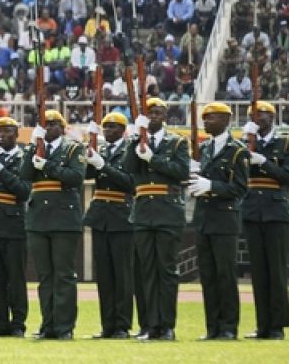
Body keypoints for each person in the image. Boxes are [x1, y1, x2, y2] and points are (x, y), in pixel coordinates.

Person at [123, 98, 189, 341]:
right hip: (142, 213)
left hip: (168, 212)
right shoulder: (136, 141)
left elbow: (181, 172)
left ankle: (167, 326)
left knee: (167, 271)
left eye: (158, 112)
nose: (153, 116)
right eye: (149, 113)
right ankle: (150, 325)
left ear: (165, 116)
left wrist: (153, 158)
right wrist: (135, 140)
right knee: (146, 272)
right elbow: (128, 166)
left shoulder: (177, 142)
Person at [19, 109, 86, 340]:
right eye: (43, 124)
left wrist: (47, 165)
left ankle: (64, 326)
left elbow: (76, 177)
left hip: (63, 218)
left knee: (64, 275)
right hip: (38, 219)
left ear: (61, 126)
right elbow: (24, 173)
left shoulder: (73, 147)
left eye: (51, 124)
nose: (47, 128)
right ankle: (48, 324)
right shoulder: (35, 147)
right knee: (45, 276)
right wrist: (31, 147)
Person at [189, 102, 249, 341]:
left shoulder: (237, 151)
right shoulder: (204, 149)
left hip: (224, 221)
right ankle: (212, 326)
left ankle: (228, 327)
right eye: (204, 118)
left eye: (211, 118)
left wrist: (211, 186)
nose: (206, 122)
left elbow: (240, 188)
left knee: (225, 275)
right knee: (208, 276)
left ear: (225, 120)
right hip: (204, 219)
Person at [242, 101, 289, 339]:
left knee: (276, 270)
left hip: (275, 212)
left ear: (272, 117)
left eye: (261, 114)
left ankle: (277, 327)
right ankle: (262, 325)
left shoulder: (285, 142)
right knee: (258, 272)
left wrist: (263, 161)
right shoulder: (246, 144)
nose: (256, 118)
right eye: (252, 115)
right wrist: (246, 149)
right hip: (253, 212)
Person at [83, 112, 134, 339]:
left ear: (123, 130)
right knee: (103, 275)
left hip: (122, 216)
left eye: (114, 127)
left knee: (122, 275)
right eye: (106, 127)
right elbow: (84, 175)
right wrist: (88, 156)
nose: (109, 131)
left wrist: (103, 165)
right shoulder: (100, 150)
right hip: (101, 216)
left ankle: (122, 325)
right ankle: (107, 325)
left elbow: (130, 183)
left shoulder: (131, 151)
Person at [0, 116, 30, 338]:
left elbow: (23, 190)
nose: (3, 135)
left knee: (15, 278)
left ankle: (18, 323)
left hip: (13, 223)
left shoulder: (24, 157)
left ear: (17, 134)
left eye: (8, 131)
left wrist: (0, 170)